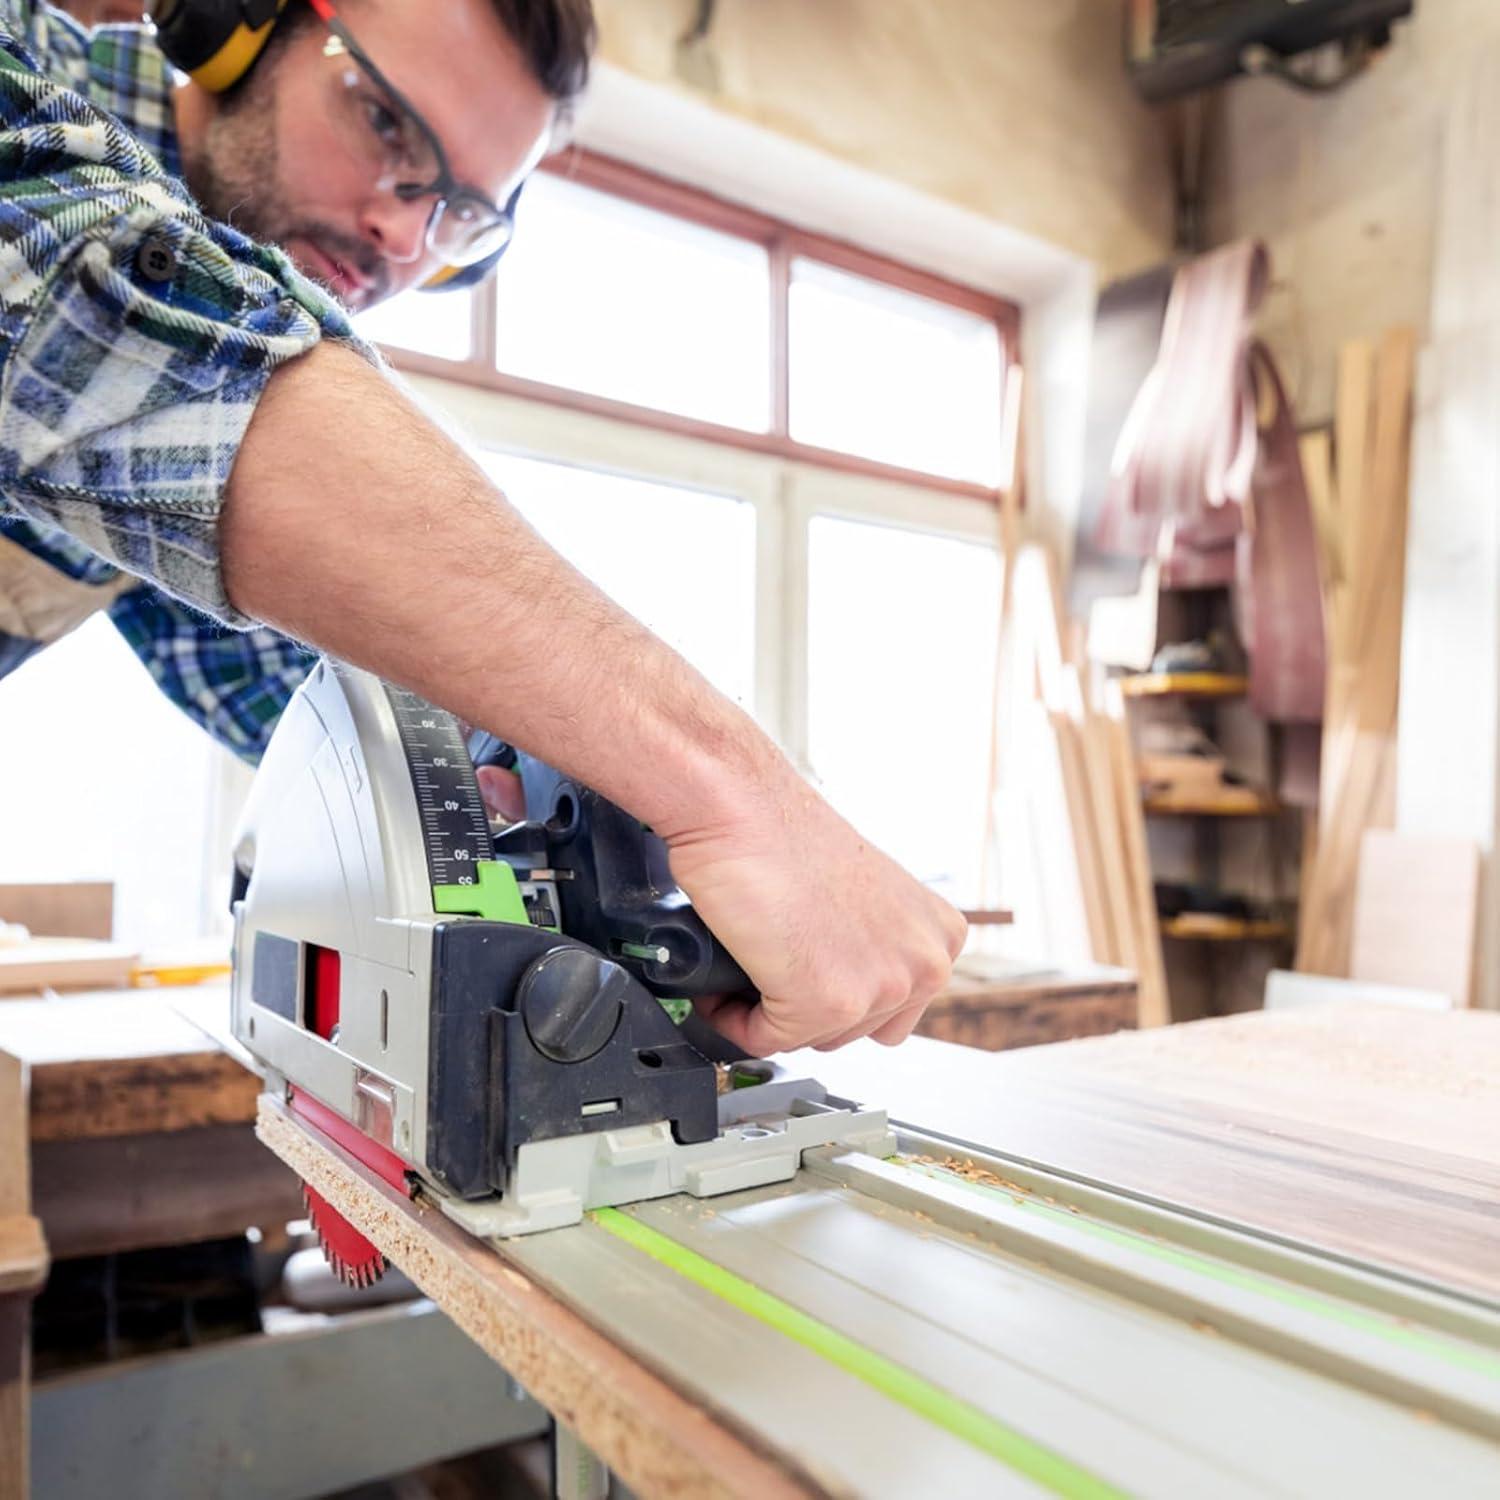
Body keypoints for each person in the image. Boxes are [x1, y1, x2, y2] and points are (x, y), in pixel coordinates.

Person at [0, 0, 966, 1054]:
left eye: (459, 213)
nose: (406, 238)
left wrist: (589, 811)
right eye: (386, 127)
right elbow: (101, 322)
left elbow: (300, 686)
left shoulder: (183, 477)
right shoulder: (23, 70)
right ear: (233, 23)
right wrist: (732, 789)